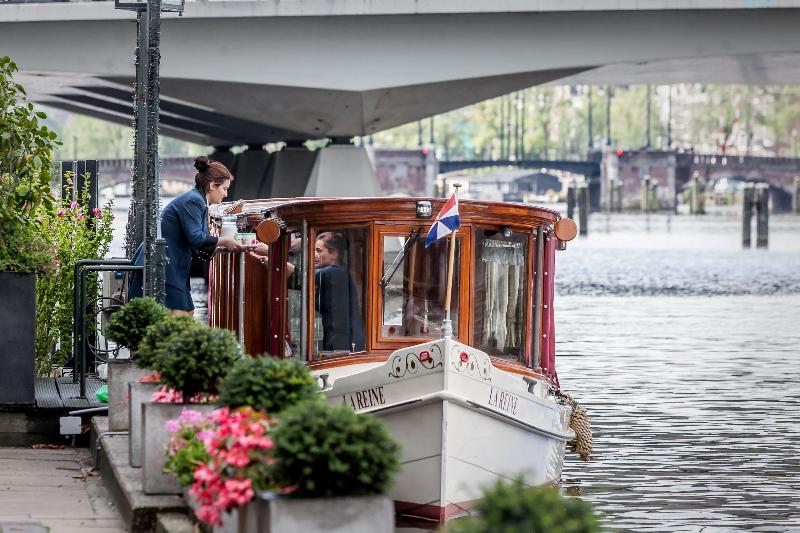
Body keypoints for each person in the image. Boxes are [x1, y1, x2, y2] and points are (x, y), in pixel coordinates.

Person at [129, 156, 242, 315]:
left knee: (186, 313)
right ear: (212, 186)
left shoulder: (198, 200)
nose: (226, 194)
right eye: (224, 188)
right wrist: (224, 240)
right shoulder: (194, 201)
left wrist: (223, 247)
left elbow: (195, 240)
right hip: (164, 263)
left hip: (170, 264)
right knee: (181, 315)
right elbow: (195, 238)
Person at [314, 232, 365, 353]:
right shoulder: (340, 270)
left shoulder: (335, 273)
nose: (314, 255)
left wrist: (272, 256)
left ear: (333, 254)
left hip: (343, 346)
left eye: (319, 251)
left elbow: (302, 275)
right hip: (339, 342)